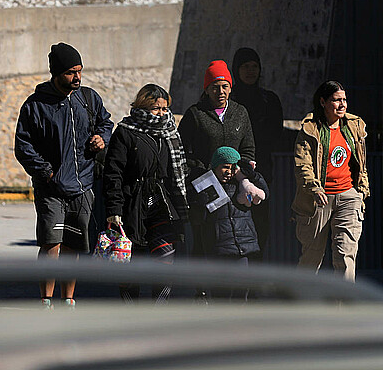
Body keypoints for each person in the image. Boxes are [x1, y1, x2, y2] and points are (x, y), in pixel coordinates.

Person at [14, 42, 113, 310]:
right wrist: (46, 173)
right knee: (51, 246)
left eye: (79, 71)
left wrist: (101, 138)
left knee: (74, 247)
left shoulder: (89, 99)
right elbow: (23, 147)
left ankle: (68, 299)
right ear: (56, 73)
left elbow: (106, 122)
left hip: (83, 187)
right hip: (51, 189)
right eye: (71, 72)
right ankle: (46, 301)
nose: (77, 77)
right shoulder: (35, 105)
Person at [103, 84, 188, 303]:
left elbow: (176, 172)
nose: (161, 113)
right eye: (156, 108)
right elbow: (114, 173)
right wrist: (114, 210)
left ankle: (158, 311)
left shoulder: (169, 133)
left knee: (165, 259)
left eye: (164, 108)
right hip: (133, 205)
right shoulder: (125, 132)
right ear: (142, 106)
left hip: (162, 205)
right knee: (133, 263)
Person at [292, 81, 370, 281]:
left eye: (344, 100)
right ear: (323, 102)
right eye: (336, 100)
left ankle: (344, 309)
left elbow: (361, 161)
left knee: (346, 257)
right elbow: (303, 164)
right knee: (312, 257)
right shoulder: (310, 129)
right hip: (318, 198)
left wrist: (361, 191)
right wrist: (314, 188)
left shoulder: (354, 126)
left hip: (349, 196)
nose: (342, 104)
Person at [188, 146, 267, 300]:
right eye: (224, 167)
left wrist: (254, 176)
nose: (228, 172)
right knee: (221, 294)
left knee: (241, 290)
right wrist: (199, 203)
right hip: (219, 250)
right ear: (215, 166)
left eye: (232, 168)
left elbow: (265, 193)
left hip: (242, 248)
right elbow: (198, 220)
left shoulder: (242, 185)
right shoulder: (205, 186)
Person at [231, 48, 284, 260]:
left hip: (261, 174)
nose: (250, 71)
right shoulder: (229, 98)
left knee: (260, 228)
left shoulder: (269, 100)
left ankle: (255, 283)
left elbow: (275, 134)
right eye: (245, 67)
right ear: (237, 70)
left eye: (254, 66)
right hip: (231, 175)